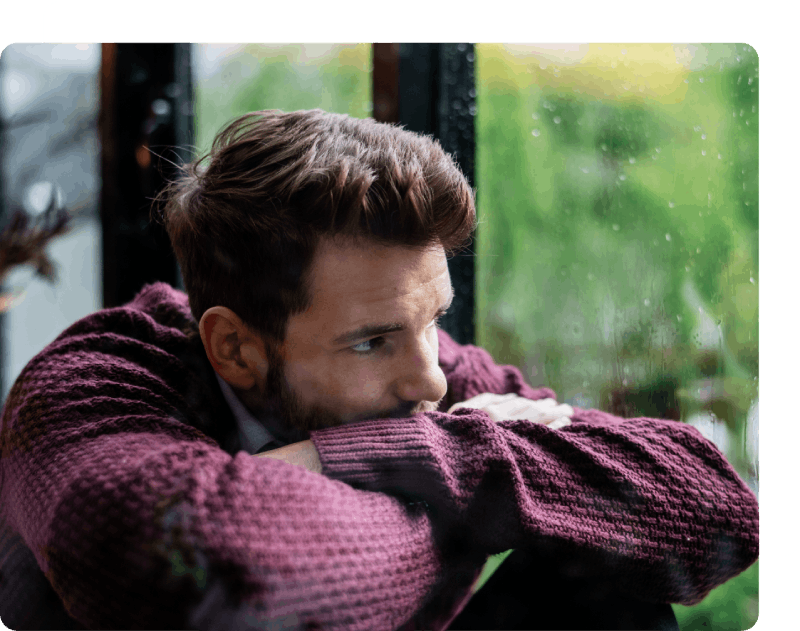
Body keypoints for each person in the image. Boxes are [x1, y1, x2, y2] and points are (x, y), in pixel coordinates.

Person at [0, 109, 759, 631]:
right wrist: (472, 480)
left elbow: (713, 506)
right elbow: (229, 581)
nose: (429, 381)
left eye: (435, 319)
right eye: (372, 342)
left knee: (607, 591)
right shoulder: (83, 389)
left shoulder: (424, 368)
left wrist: (397, 455)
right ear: (235, 347)